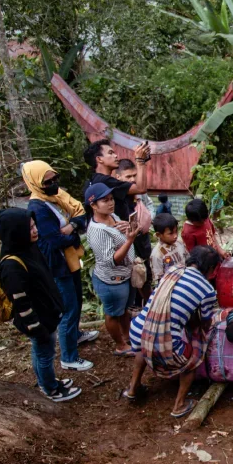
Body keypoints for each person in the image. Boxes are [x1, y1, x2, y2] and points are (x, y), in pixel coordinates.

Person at [0, 208, 82, 402]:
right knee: (45, 353)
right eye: (29, 228)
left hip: (46, 314)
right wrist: (36, 328)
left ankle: (45, 380)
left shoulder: (28, 248)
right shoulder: (11, 266)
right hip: (38, 321)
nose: (35, 230)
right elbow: (21, 302)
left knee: (41, 351)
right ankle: (50, 389)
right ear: (16, 232)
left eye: (34, 225)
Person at [123, 246, 222, 418]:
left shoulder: (172, 271)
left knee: (142, 346)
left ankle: (133, 388)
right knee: (194, 356)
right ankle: (179, 405)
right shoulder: (207, 290)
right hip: (162, 345)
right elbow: (206, 321)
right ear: (212, 270)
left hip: (137, 330)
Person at [22, 161, 97, 372]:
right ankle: (69, 357)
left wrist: (72, 226)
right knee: (68, 308)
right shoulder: (37, 208)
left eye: (55, 179)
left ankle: (75, 336)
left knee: (76, 301)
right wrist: (73, 230)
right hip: (57, 264)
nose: (54, 184)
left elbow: (80, 217)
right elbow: (55, 240)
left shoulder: (54, 199)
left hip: (68, 260)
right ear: (35, 183)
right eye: (48, 182)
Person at [85, 183, 143, 356]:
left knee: (124, 309)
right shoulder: (97, 231)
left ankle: (127, 336)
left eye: (111, 199)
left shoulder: (112, 216)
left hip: (124, 276)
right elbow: (112, 261)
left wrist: (128, 227)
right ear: (93, 205)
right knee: (112, 313)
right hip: (111, 279)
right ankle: (120, 345)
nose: (110, 203)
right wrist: (129, 240)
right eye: (104, 200)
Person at [114, 158, 154, 304]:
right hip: (128, 241)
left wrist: (148, 220)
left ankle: (146, 304)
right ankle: (137, 303)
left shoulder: (139, 191)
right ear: (118, 177)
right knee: (134, 273)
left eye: (134, 176)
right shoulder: (117, 196)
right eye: (128, 177)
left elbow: (149, 205)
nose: (132, 180)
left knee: (146, 272)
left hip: (143, 237)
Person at [82, 139, 151, 221]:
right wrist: (140, 160)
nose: (116, 156)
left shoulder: (91, 180)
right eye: (110, 153)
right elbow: (141, 188)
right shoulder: (105, 181)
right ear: (99, 159)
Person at [150, 213, 188, 285]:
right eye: (171, 233)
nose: (175, 236)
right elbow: (159, 279)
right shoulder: (157, 254)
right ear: (159, 235)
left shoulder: (179, 242)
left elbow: (187, 258)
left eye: (176, 231)